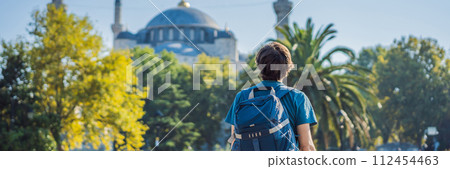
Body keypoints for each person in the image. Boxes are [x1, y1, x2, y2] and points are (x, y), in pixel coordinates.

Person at [225, 42, 317, 151]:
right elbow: (306, 146)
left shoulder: (242, 96)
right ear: (287, 68)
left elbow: (235, 140)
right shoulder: (297, 97)